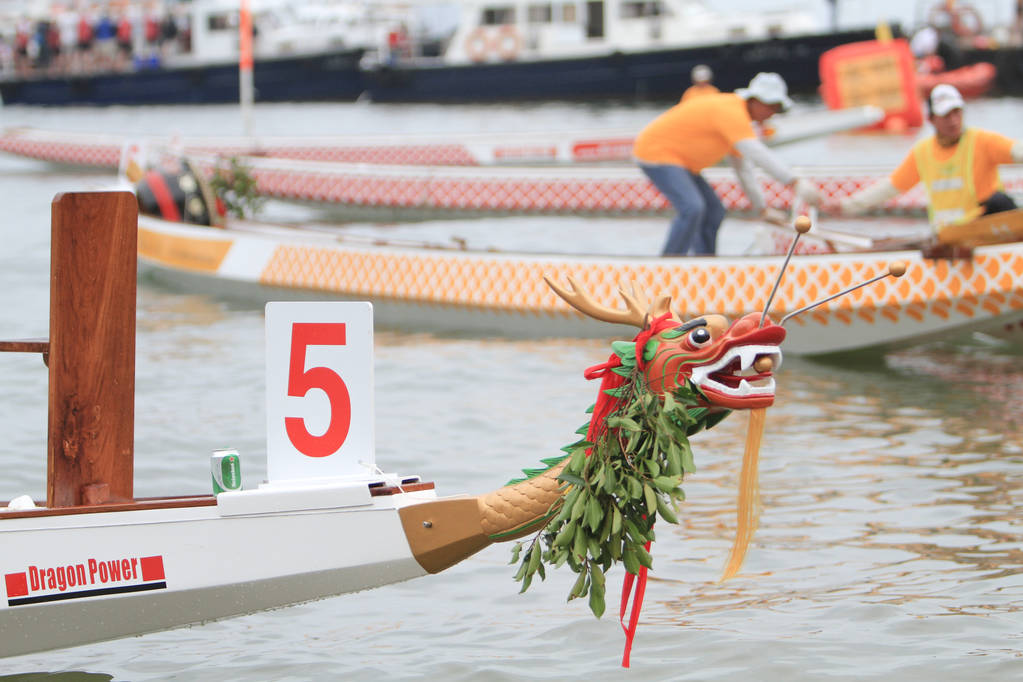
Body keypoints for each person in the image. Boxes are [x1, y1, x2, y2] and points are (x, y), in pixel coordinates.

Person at [634, 72, 822, 256]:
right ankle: (670, 264)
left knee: (714, 211)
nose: (772, 114)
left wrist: (762, 208)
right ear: (754, 100)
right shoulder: (732, 111)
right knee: (692, 208)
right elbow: (756, 152)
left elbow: (743, 169)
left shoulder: (739, 124)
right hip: (655, 153)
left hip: (683, 162)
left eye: (776, 109)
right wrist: (794, 182)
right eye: (770, 106)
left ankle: (704, 261)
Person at [841, 84, 1023, 233]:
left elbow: (1017, 151)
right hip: (946, 234)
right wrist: (846, 207)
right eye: (946, 115)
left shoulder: (983, 141)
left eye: (957, 113)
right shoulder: (922, 151)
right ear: (932, 119)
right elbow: (890, 187)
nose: (953, 121)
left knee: (999, 201)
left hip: (983, 228)